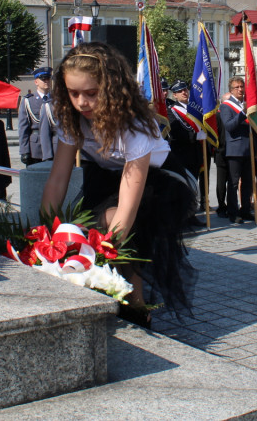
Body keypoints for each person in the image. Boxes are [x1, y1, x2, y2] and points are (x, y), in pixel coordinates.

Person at [40, 42, 196, 316]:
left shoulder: (134, 125)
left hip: (158, 180)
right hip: (108, 177)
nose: (81, 103)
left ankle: (136, 306)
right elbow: (57, 180)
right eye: (73, 93)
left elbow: (127, 205)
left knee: (114, 226)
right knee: (76, 228)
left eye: (91, 93)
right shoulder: (72, 118)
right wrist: (43, 235)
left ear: (110, 89)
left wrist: (101, 254)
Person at [167, 80, 206, 228]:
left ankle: (191, 215)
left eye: (185, 89)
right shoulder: (172, 111)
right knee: (182, 187)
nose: (184, 92)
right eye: (180, 91)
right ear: (175, 95)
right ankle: (181, 218)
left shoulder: (193, 109)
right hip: (181, 154)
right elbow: (175, 132)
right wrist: (194, 135)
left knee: (193, 187)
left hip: (194, 153)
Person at [220, 77, 253, 223]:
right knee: (233, 183)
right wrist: (242, 114)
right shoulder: (227, 106)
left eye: (242, 86)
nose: (240, 89)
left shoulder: (246, 104)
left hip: (248, 148)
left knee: (247, 183)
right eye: (237, 87)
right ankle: (233, 212)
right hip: (235, 149)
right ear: (231, 90)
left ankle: (245, 210)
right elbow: (229, 126)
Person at [18, 67, 57, 165]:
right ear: (36, 82)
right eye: (43, 79)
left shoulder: (57, 100)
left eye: (48, 78)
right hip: (36, 147)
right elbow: (23, 128)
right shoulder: (28, 101)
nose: (46, 81)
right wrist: (24, 151)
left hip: (54, 146)